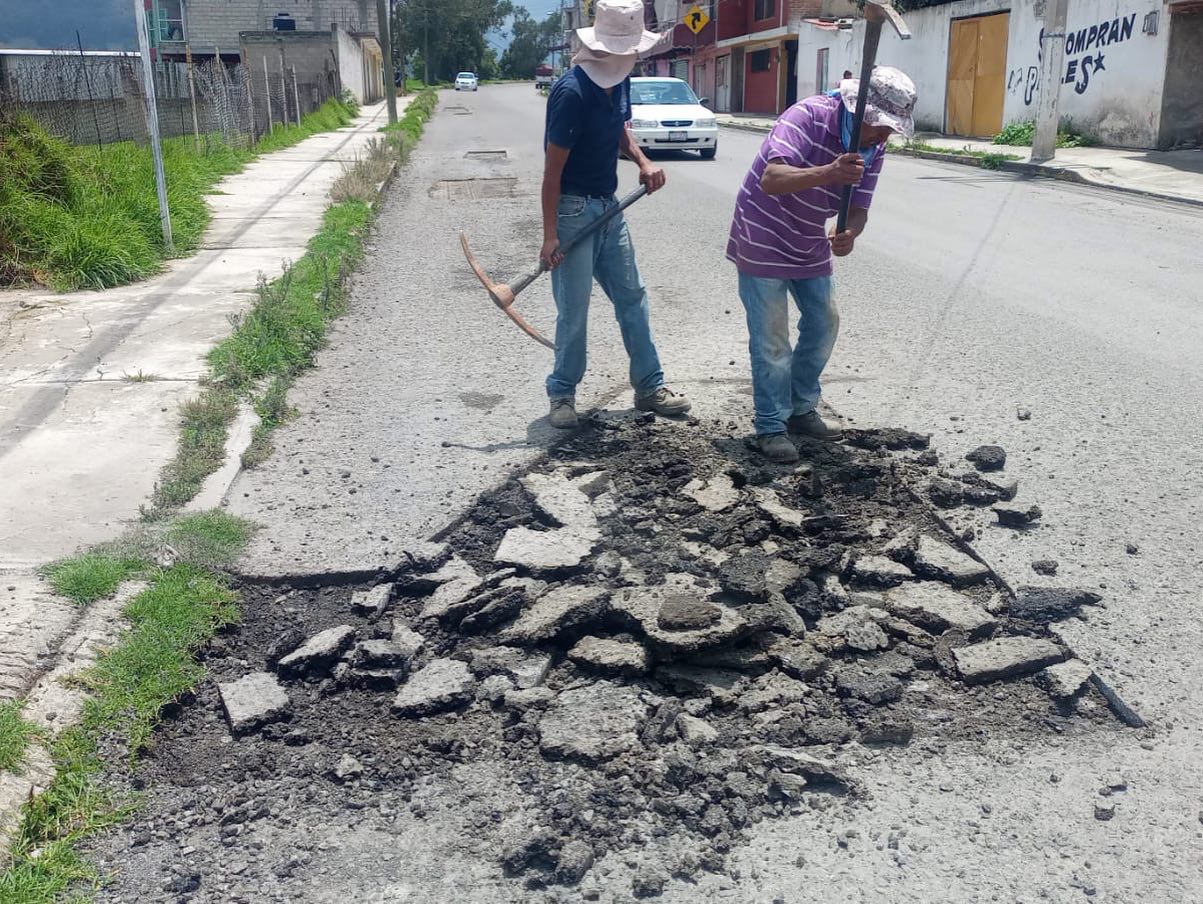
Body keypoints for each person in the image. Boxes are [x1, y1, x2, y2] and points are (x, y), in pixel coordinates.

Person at [726, 66, 917, 463]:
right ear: (858, 110)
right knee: (772, 337)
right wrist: (830, 171)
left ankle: (800, 407)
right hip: (763, 228)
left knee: (824, 319)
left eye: (890, 131)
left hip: (808, 235)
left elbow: (860, 207)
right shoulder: (808, 116)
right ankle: (770, 425)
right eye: (880, 127)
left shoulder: (874, 145)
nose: (884, 137)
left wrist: (849, 232)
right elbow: (772, 177)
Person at [540, 0, 691, 429]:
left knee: (632, 296)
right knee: (574, 308)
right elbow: (552, 173)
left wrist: (643, 161)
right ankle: (562, 393)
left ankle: (649, 385)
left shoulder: (619, 82)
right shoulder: (571, 94)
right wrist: (550, 236)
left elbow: (620, 130)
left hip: (609, 208)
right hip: (572, 209)